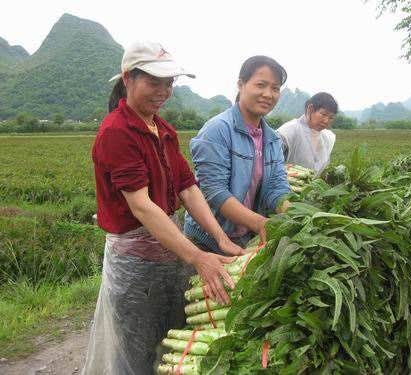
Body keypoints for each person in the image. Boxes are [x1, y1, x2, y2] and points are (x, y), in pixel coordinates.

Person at [82, 41, 244, 375]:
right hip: (135, 265)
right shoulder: (117, 131)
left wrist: (219, 237)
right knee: (136, 353)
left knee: (171, 342)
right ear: (128, 79)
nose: (163, 91)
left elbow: (188, 187)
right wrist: (198, 257)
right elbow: (142, 207)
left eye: (169, 83)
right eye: (154, 82)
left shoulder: (162, 128)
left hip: (170, 253)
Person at [184, 55, 291, 252]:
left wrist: (295, 213)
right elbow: (215, 192)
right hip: (207, 240)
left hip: (244, 237)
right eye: (261, 85)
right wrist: (260, 223)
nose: (268, 94)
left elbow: (277, 186)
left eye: (275, 88)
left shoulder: (273, 139)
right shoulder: (216, 130)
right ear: (241, 84)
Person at [277, 92, 338, 175]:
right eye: (323, 114)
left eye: (331, 117)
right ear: (310, 109)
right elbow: (272, 165)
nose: (326, 121)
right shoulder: (288, 132)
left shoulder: (328, 137)